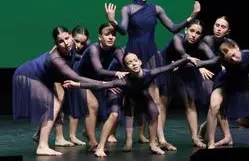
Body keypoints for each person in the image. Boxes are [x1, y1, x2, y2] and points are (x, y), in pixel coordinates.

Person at [104, 0, 201, 150]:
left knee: (156, 99)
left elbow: (173, 28)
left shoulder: (156, 9)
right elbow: (124, 31)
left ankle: (159, 139)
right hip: (133, 53)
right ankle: (128, 140)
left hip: (150, 54)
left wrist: (192, 16)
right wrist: (113, 21)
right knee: (131, 98)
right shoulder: (128, 9)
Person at [12, 26, 118, 156]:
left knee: (58, 103)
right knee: (53, 104)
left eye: (67, 38)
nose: (66, 43)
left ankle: (41, 135)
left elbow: (92, 48)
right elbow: (77, 78)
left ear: (70, 35)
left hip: (46, 77)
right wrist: (106, 83)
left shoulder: (75, 45)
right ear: (56, 44)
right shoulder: (56, 58)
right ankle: (42, 146)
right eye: (61, 41)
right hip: (28, 75)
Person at [63, 52, 192, 156]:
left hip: (140, 93)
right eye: (129, 63)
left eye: (135, 60)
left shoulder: (149, 73)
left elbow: (168, 67)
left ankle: (153, 143)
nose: (133, 64)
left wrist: (188, 58)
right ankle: (100, 147)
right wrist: (77, 84)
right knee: (114, 115)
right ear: (126, 68)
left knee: (154, 111)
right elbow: (99, 85)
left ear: (140, 62)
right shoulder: (123, 81)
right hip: (124, 94)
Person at [160, 19, 218, 148]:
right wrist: (197, 64)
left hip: (184, 69)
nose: (194, 35)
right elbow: (182, 53)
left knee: (190, 102)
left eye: (198, 33)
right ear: (186, 30)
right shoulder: (178, 38)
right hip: (166, 67)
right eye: (191, 31)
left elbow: (214, 59)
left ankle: (195, 137)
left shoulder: (201, 45)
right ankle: (161, 139)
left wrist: (223, 63)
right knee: (164, 103)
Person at [72, 23, 128, 151]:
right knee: (93, 106)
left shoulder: (116, 50)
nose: (110, 37)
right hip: (81, 80)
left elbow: (124, 64)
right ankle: (92, 143)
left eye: (113, 35)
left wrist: (135, 69)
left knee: (103, 112)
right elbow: (99, 70)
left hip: (97, 82)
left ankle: (87, 133)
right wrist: (115, 75)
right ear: (99, 37)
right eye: (107, 34)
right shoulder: (93, 49)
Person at [197, 16, 233, 146]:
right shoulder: (207, 40)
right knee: (214, 104)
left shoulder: (230, 43)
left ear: (227, 31)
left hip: (222, 78)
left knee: (219, 106)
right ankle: (223, 135)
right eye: (217, 25)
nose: (219, 29)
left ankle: (205, 129)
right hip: (207, 75)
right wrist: (200, 68)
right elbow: (196, 57)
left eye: (223, 27)